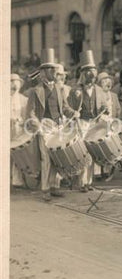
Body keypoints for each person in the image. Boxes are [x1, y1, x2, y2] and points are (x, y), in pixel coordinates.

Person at [26, 49, 79, 200]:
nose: (54, 71)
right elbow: (30, 113)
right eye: (51, 69)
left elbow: (65, 107)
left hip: (58, 126)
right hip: (45, 127)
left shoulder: (59, 88)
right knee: (47, 158)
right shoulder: (35, 91)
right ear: (43, 72)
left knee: (58, 157)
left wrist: (73, 113)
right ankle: (45, 189)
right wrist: (39, 127)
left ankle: (55, 185)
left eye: (54, 68)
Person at [67, 50, 108, 192]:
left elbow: (104, 106)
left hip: (94, 124)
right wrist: (74, 116)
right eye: (88, 73)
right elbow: (69, 108)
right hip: (81, 123)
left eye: (93, 72)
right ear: (83, 74)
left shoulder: (99, 89)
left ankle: (89, 181)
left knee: (93, 152)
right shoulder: (75, 90)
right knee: (82, 152)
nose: (91, 76)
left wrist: (105, 111)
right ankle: (81, 182)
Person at [11, 73, 28, 188]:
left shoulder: (23, 99)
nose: (14, 84)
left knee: (18, 153)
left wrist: (21, 121)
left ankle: (17, 180)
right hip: (7, 128)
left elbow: (26, 115)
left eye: (16, 82)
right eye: (12, 82)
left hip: (19, 129)